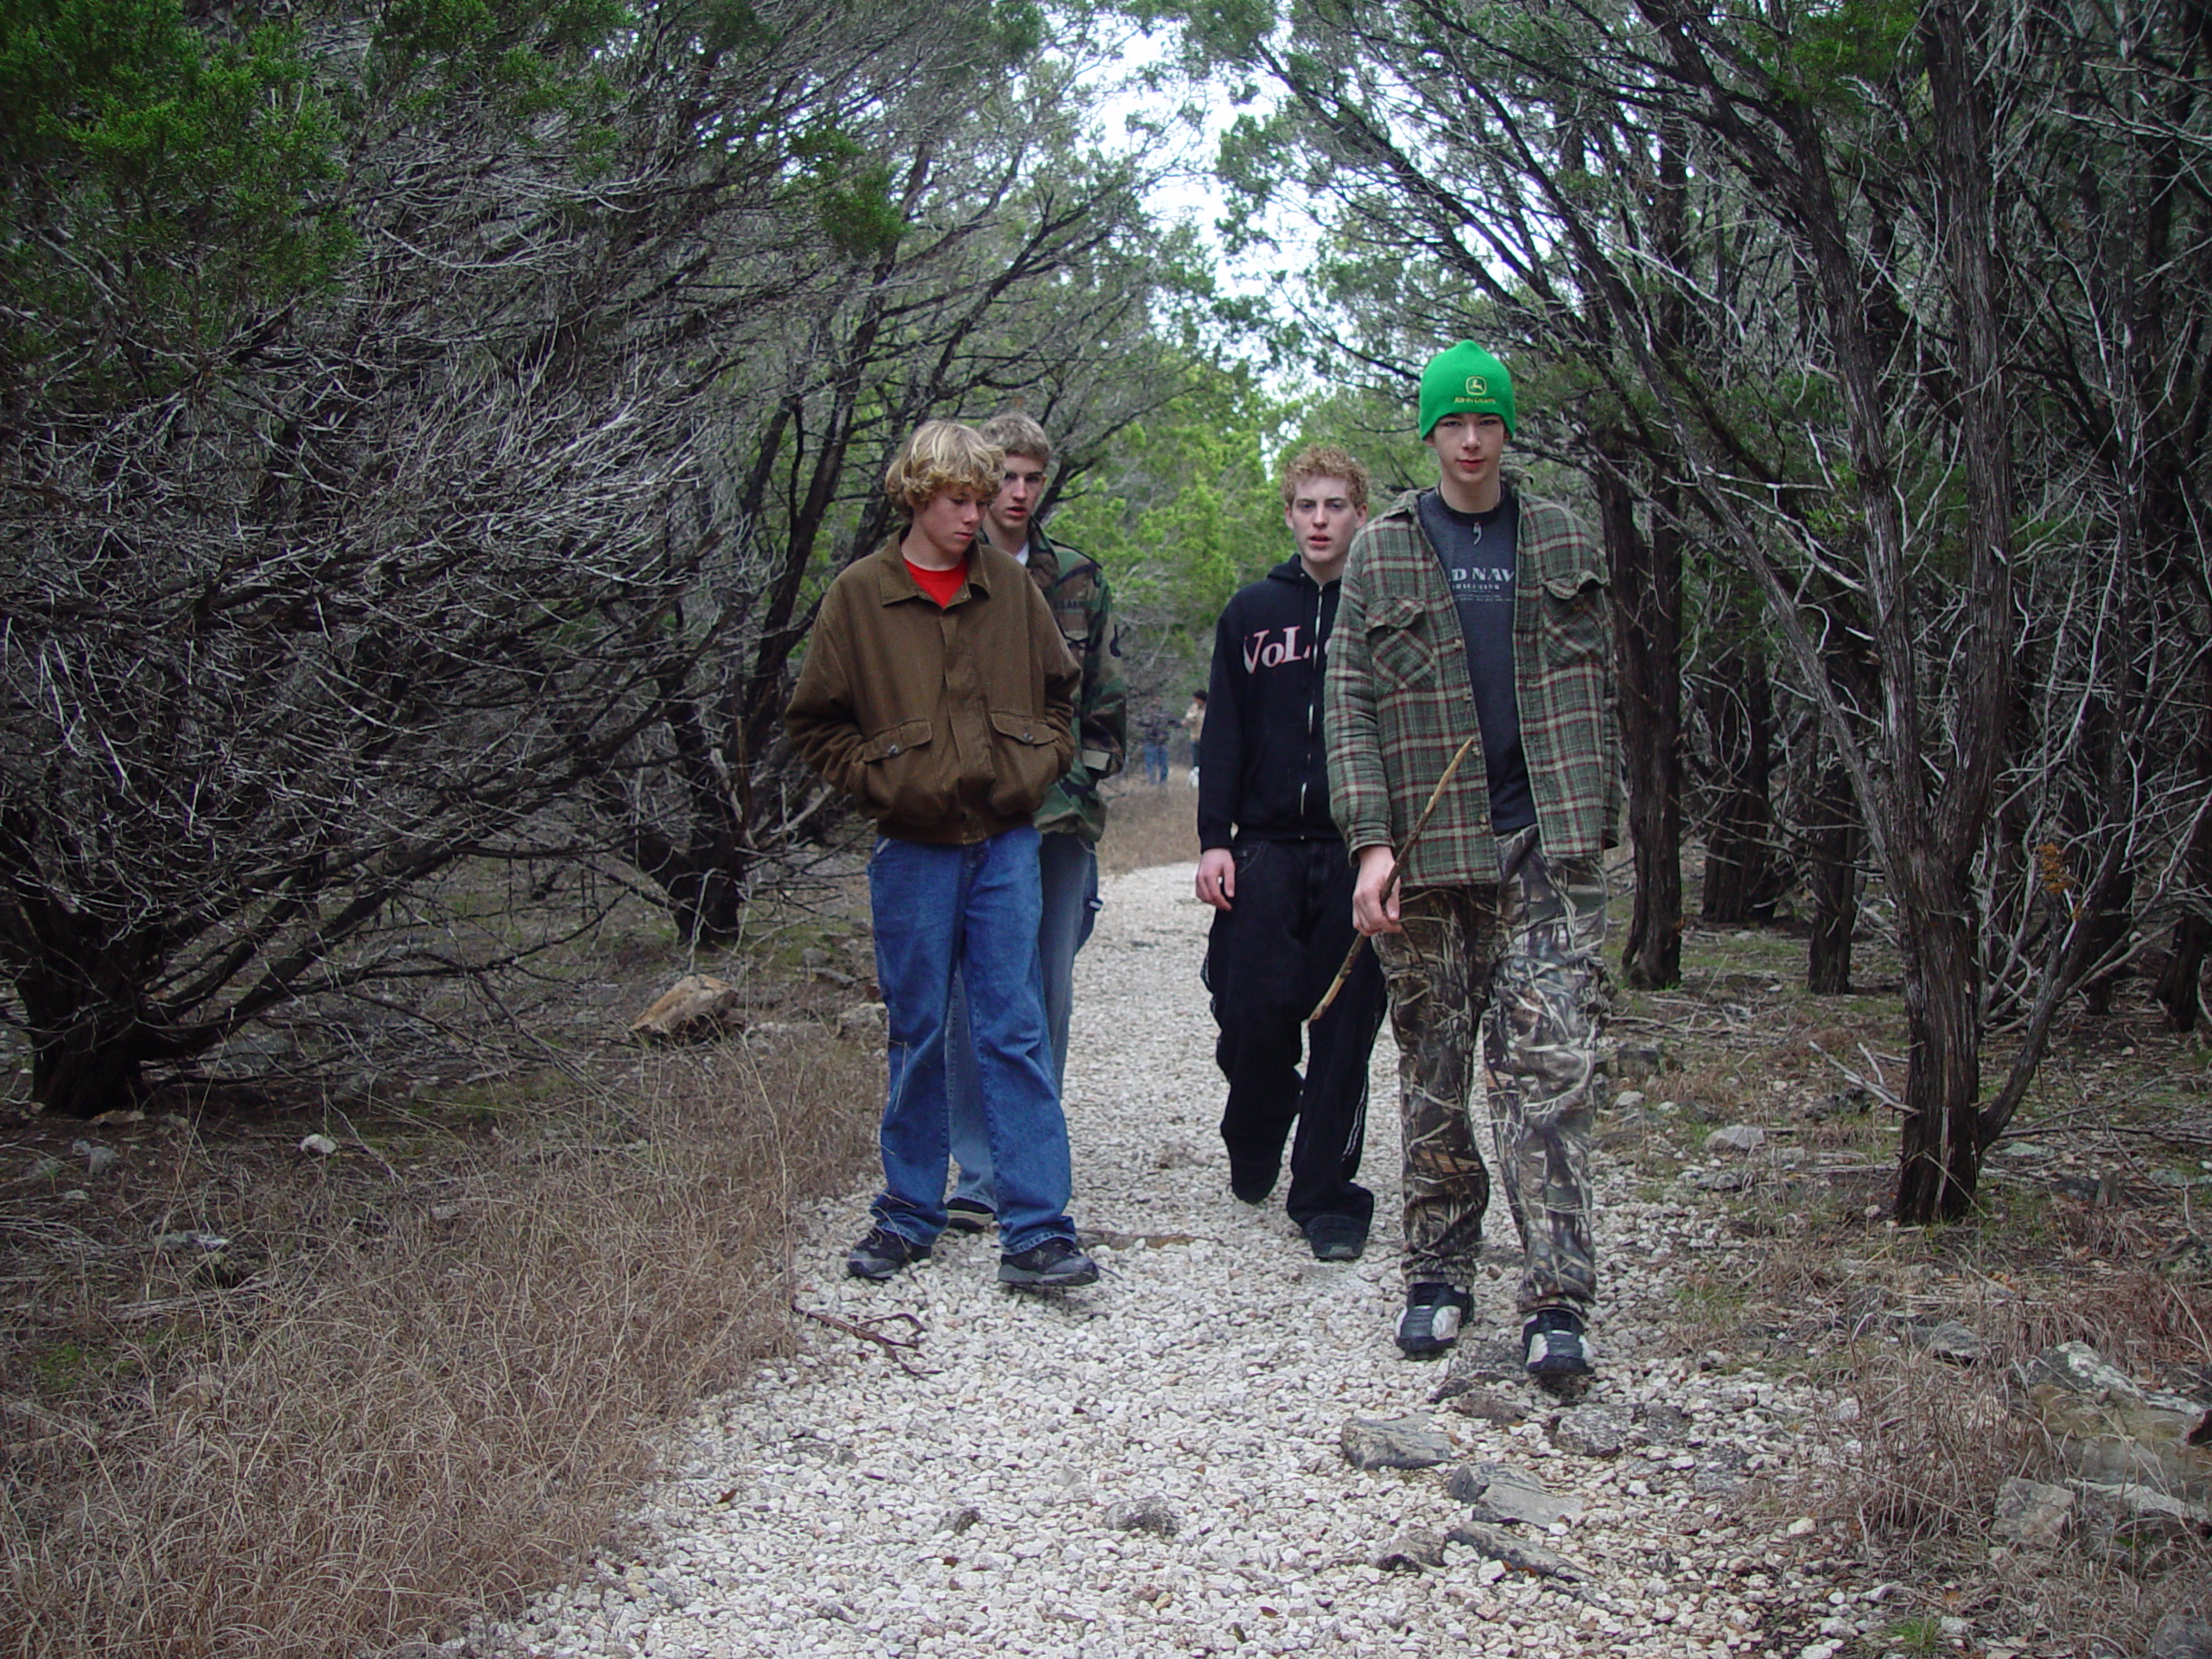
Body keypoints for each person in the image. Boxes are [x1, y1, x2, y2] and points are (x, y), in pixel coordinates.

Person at [1324, 341, 1620, 1375]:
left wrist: (1594, 820)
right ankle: (1440, 1274)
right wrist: (1370, 846)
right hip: (1430, 854)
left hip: (1546, 850)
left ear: (1506, 430)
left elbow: (1602, 696)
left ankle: (1557, 1301)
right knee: (1437, 1072)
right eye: (1452, 422)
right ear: (1429, 432)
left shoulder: (1563, 534)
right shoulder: (1385, 550)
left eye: (1486, 421)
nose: (1470, 439)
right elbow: (1348, 708)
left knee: (1547, 1076)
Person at [785, 419, 1100, 1290]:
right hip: (911, 852)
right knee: (919, 1031)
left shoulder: (1009, 586)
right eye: (959, 499)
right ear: (918, 499)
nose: (979, 513)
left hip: (1004, 845)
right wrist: (884, 783)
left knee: (1014, 1028)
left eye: (984, 495)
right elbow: (815, 720)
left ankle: (1037, 1228)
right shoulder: (859, 596)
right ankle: (908, 1213)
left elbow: (1060, 696)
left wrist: (1032, 771)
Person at [1196, 445, 1388, 1262]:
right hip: (1266, 844)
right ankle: (1257, 1122)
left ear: (1360, 515)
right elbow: (1226, 735)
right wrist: (1214, 841)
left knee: (1346, 1023)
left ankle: (1326, 1196)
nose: (1320, 520)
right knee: (1251, 1010)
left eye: (1335, 505)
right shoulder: (1251, 613)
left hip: (1356, 845)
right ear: (1288, 513)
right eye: (1306, 505)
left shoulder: (1383, 609)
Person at [938, 413, 1126, 1234]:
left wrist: (1071, 784)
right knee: (966, 992)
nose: (1017, 494)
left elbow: (1107, 708)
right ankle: (975, 1170)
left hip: (1056, 825)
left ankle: (1030, 1160)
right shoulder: (943, 570)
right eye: (1004, 478)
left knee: (1046, 988)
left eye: (1031, 480)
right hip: (963, 821)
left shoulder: (1077, 579)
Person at [1141, 708, 1172, 785]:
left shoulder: (1166, 713)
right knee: (1150, 764)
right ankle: (1151, 783)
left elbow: (1175, 722)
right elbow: (1140, 724)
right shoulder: (1145, 713)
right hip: (1150, 742)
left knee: (1163, 765)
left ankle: (1163, 783)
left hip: (1163, 742)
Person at [1182, 690, 1207, 786]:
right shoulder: (1193, 708)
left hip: (1207, 740)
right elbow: (1189, 718)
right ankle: (1196, 782)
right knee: (1196, 762)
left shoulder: (1210, 708)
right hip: (1195, 739)